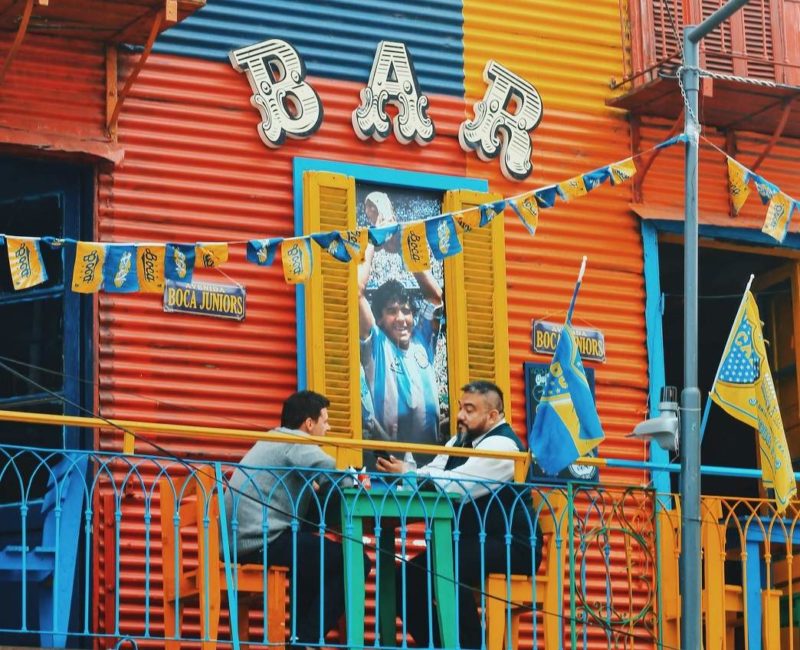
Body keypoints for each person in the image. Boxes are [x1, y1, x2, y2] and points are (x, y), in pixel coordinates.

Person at [376, 380, 542, 649]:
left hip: (513, 544)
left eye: (470, 409)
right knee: (403, 578)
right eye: (460, 408)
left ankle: (469, 645)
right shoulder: (460, 440)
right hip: (473, 541)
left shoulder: (503, 446)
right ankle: (442, 644)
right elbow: (434, 470)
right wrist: (406, 470)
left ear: (492, 416)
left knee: (447, 566)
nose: (460, 416)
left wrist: (410, 473)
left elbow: (458, 486)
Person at [224, 390, 370, 650]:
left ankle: (301, 640)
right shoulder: (296, 441)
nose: (329, 427)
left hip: (245, 537)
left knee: (313, 556)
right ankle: (307, 640)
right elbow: (328, 469)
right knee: (357, 559)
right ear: (309, 424)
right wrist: (355, 482)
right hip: (259, 539)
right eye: (325, 421)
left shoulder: (274, 439)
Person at [358, 192, 445, 448]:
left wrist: (405, 246)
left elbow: (436, 297)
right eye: (392, 311)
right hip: (387, 465)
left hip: (430, 467)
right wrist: (376, 237)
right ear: (380, 319)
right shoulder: (376, 345)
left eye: (406, 310)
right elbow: (357, 290)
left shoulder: (422, 340)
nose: (402, 318)